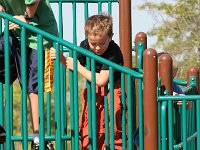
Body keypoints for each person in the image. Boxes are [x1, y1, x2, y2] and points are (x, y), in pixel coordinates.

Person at [50, 14, 123, 150]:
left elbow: (101, 80)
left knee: (111, 123)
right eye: (93, 43)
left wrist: (79, 67)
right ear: (87, 37)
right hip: (93, 90)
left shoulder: (114, 51)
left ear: (110, 37)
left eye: (102, 43)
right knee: (89, 124)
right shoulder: (85, 46)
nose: (97, 48)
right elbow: (71, 63)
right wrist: (61, 57)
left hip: (112, 90)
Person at [0, 0, 58, 149]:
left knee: (34, 87)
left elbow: (31, 7)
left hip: (41, 37)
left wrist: (24, 16)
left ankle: (38, 139)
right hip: (15, 33)